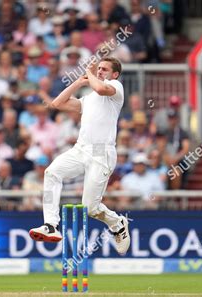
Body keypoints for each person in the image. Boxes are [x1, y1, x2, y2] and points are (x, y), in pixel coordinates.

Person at [29, 57, 130, 256]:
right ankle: (50, 225)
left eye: (105, 69)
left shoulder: (115, 87)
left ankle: (118, 223)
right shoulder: (88, 98)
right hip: (81, 149)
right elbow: (57, 103)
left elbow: (101, 88)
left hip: (102, 152)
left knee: (90, 208)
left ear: (115, 74)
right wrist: (79, 82)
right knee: (51, 173)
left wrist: (91, 74)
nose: (100, 71)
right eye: (98, 68)